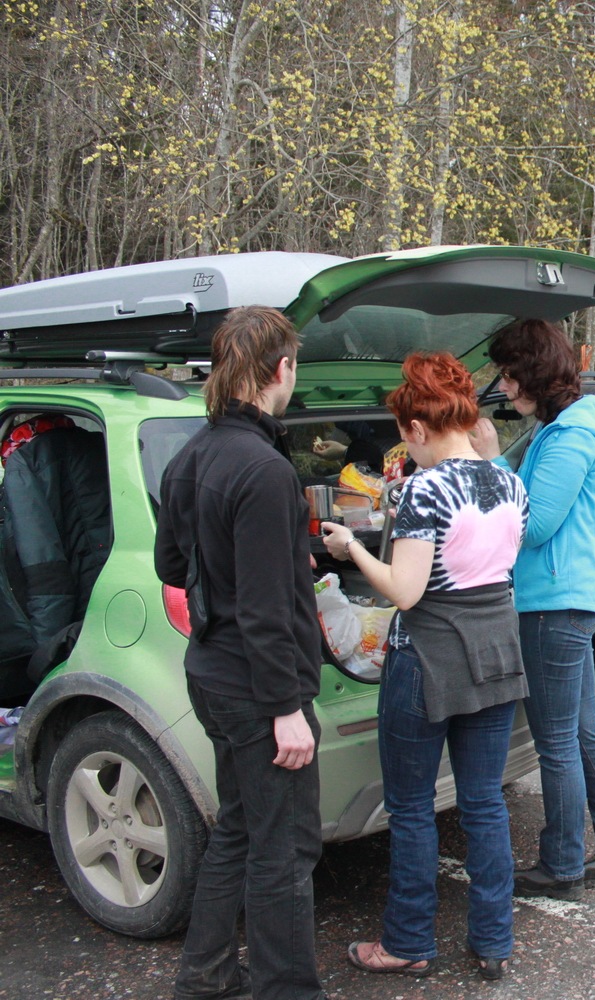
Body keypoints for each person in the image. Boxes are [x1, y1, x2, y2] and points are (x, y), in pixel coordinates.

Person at [323, 353, 529, 981]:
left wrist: (351, 546)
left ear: (417, 427)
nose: (403, 448)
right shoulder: (510, 483)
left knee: (411, 808)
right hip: (497, 651)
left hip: (430, 657)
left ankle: (409, 941)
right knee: (484, 804)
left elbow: (405, 592)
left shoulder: (424, 488)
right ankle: (493, 940)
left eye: (402, 435)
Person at [154, 306, 326, 1000]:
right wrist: (287, 707)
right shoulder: (262, 470)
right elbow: (260, 610)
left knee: (239, 827)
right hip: (258, 692)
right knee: (286, 847)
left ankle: (204, 975)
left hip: (212, 675)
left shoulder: (190, 455)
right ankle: (286, 988)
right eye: (295, 365)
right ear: (280, 369)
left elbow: (173, 561)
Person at [476, 319, 595, 900]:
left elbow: (536, 524)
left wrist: (494, 464)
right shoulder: (566, 430)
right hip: (569, 598)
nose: (502, 387)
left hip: (554, 603)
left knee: (557, 744)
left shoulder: (571, 438)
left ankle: (562, 865)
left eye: (508, 373)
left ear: (534, 374)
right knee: (581, 732)